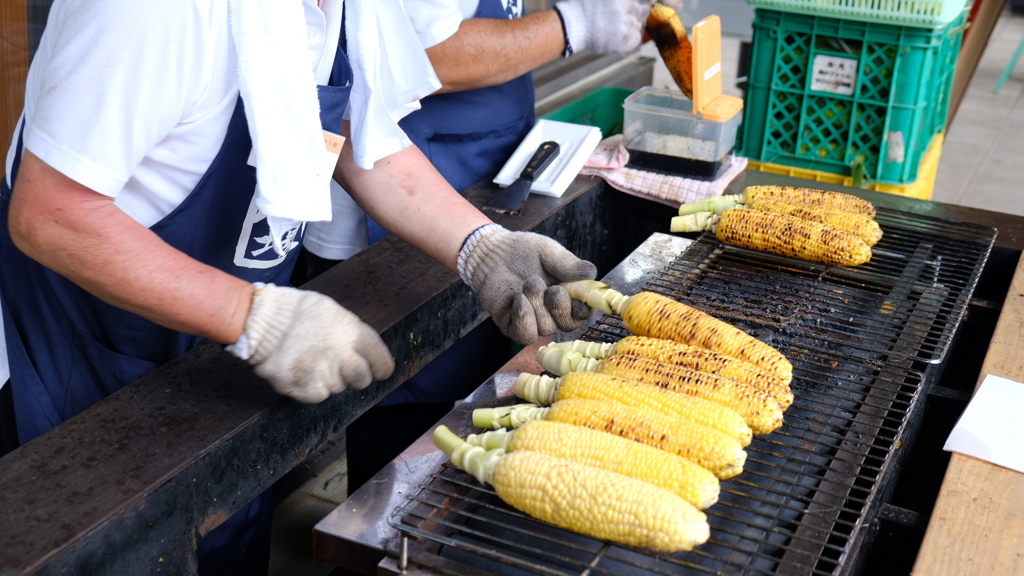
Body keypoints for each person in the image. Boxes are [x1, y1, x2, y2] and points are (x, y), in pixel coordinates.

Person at [0, 1, 597, 574]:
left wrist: (481, 248)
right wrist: (254, 317)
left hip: (233, 338)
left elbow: (357, 134)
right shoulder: (158, 11)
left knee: (228, 528)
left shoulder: (339, 8)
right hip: (96, 345)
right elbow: (52, 215)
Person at [298, 0, 658, 494]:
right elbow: (427, 54)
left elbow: (352, 127)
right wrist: (570, 26)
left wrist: (482, 247)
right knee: (405, 434)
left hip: (437, 191)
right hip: (392, 210)